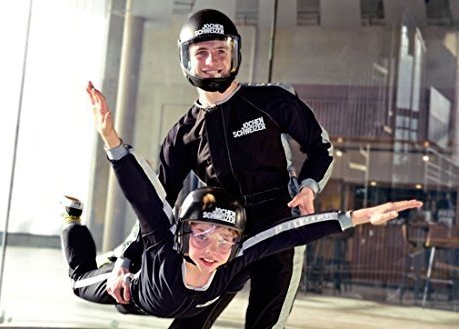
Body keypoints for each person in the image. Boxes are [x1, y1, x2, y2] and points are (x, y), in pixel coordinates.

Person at [100, 8, 335, 328]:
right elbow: (156, 203)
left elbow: (321, 149)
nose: (212, 61)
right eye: (202, 53)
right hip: (219, 239)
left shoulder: (273, 100)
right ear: (187, 59)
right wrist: (127, 258)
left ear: (234, 53)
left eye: (221, 51)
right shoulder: (181, 135)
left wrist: (309, 187)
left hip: (277, 229)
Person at [60, 140, 422, 319]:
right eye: (202, 235)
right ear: (183, 234)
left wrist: (357, 217)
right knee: (80, 281)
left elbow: (291, 232)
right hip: (137, 289)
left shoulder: (235, 258)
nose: (213, 249)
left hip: (174, 308)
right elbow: (145, 198)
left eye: (225, 239)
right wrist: (112, 142)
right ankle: (72, 221)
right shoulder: (166, 249)